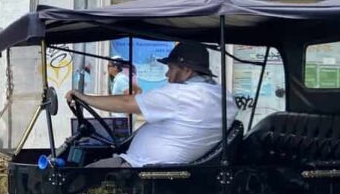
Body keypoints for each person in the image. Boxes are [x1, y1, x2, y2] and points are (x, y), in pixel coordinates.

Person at [66, 42, 237, 167]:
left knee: (77, 177)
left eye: (171, 68)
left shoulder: (181, 95)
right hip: (156, 169)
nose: (167, 74)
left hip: (141, 171)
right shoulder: (223, 96)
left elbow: (126, 102)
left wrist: (85, 98)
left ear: (187, 71)